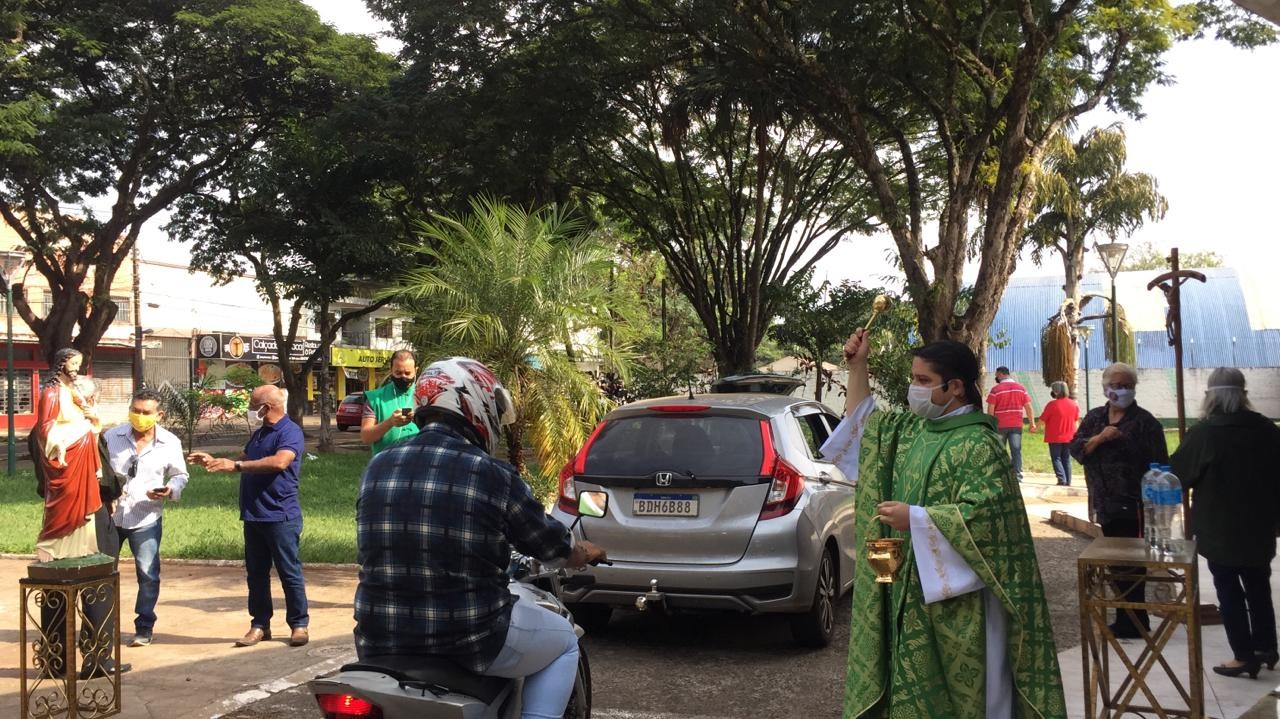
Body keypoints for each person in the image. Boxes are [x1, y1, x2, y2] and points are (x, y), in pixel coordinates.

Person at [821, 331, 1064, 719]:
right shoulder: (916, 430)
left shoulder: (980, 446)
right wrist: (857, 366)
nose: (912, 390)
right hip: (910, 591)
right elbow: (864, 426)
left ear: (955, 388)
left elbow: (987, 521)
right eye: (913, 380)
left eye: (922, 382)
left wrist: (915, 519)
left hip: (963, 603)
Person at [354, 357, 607, 719]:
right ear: (474, 403)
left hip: (377, 640)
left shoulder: (378, 466)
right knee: (565, 641)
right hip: (471, 639)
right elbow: (552, 546)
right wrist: (583, 553)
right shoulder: (491, 473)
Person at [1170, 368, 1280, 679]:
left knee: (1229, 590)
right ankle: (1266, 647)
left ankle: (1243, 655)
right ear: (1243, 395)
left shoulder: (1206, 433)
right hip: (1259, 525)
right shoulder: (1267, 430)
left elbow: (1179, 474)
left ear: (1212, 397)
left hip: (1221, 528)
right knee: (1258, 586)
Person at [188, 385, 310, 648]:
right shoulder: (260, 433)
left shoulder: (290, 432)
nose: (251, 409)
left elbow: (280, 462)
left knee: (289, 572)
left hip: (280, 515)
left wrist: (238, 466)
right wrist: (219, 461)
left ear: (267, 407)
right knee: (256, 574)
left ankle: (299, 624)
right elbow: (245, 457)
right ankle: (259, 625)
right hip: (254, 514)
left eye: (254, 404)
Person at [1069, 362, 1168, 639]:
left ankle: (1135, 620)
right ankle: (1126, 616)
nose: (1121, 391)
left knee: (1132, 564)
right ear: (1105, 388)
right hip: (1104, 502)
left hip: (1135, 505)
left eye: (1127, 385)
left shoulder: (1145, 423)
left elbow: (1160, 465)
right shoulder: (1095, 418)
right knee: (1114, 562)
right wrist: (1100, 439)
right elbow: (1077, 449)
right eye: (1116, 385)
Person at [103, 388, 190, 647]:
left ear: (158, 414)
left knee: (148, 573)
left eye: (146, 413)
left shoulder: (169, 442)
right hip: (111, 517)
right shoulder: (111, 436)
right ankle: (100, 627)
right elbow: (100, 472)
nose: (139, 417)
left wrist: (169, 489)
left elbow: (180, 475)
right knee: (103, 574)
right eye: (135, 411)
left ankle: (144, 626)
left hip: (146, 517)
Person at [360, 350, 419, 454]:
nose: (403, 377)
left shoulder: (425, 395)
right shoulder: (375, 398)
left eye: (407, 373)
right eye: (398, 373)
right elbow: (366, 437)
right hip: (384, 465)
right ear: (391, 370)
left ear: (416, 371)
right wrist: (390, 422)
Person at [986, 367, 1037, 481]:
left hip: (999, 426)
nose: (996, 377)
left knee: (999, 450)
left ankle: (999, 475)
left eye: (996, 375)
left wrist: (991, 424)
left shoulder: (995, 389)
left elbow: (990, 409)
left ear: (1000, 374)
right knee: (1016, 450)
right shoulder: (1021, 388)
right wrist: (1032, 423)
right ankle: (1017, 475)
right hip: (1016, 425)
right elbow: (1028, 407)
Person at [1038, 381, 1081, 486]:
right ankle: (1068, 480)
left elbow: (1043, 419)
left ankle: (1062, 479)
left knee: (1056, 458)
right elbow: (1076, 419)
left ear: (1056, 392)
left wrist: (1035, 427)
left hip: (1055, 436)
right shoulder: (1073, 404)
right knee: (1066, 458)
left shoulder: (1052, 405)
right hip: (1070, 436)